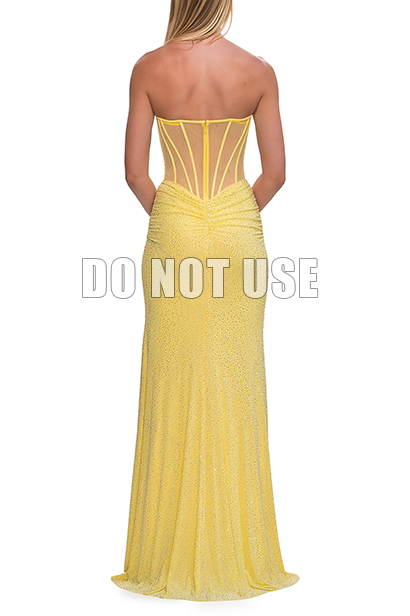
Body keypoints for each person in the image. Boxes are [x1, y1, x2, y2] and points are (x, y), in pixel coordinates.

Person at [111, 0, 299, 602]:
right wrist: (232, 216)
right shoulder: (257, 71)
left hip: (174, 231)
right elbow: (275, 174)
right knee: (236, 374)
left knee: (172, 374)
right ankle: (237, 548)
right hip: (240, 235)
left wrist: (179, 219)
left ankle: (164, 554)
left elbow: (135, 174)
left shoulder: (149, 68)